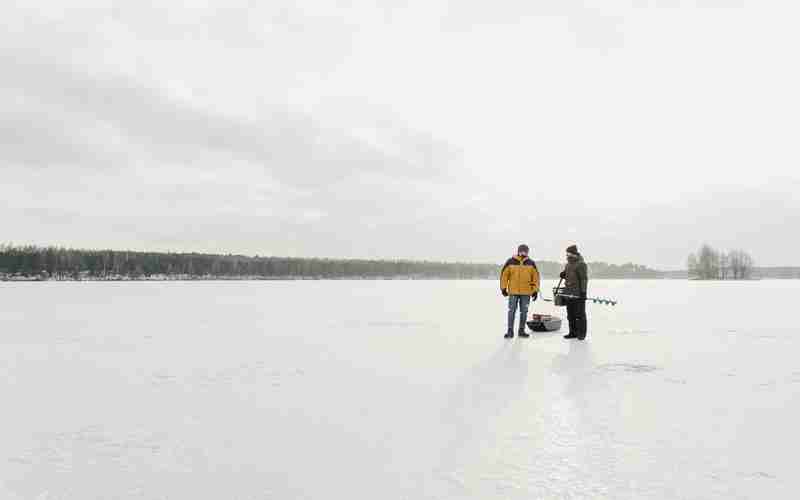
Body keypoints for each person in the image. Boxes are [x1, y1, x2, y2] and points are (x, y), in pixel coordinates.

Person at [500, 244, 540, 338]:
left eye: (525, 251)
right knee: (511, 311)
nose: (523, 253)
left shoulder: (531, 263)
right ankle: (510, 331)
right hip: (513, 292)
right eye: (521, 251)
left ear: (527, 252)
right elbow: (504, 275)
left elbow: (536, 278)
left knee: (524, 312)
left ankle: (521, 331)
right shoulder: (510, 261)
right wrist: (503, 288)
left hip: (526, 293)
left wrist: (535, 291)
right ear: (518, 251)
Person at [560, 244, 589, 340]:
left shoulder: (581, 264)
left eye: (569, 253)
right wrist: (563, 274)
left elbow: (584, 279)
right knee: (570, 315)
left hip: (578, 294)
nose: (567, 255)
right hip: (568, 293)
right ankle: (572, 332)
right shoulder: (568, 265)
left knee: (580, 314)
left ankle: (581, 334)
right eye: (567, 253)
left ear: (574, 253)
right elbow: (568, 276)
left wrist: (583, 292)